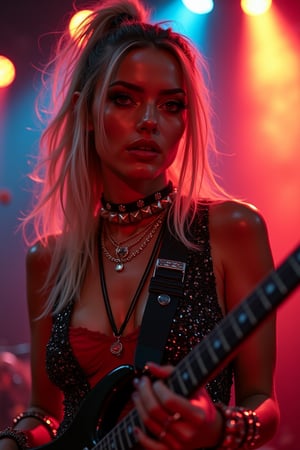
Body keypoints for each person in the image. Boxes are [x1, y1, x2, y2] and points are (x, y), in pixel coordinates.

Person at [0, 0, 280, 448]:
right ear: (86, 113)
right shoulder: (49, 260)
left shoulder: (231, 229)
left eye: (171, 105)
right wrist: (14, 440)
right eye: (124, 99)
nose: (149, 122)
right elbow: (44, 413)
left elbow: (262, 401)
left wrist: (218, 428)